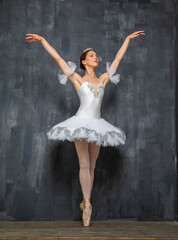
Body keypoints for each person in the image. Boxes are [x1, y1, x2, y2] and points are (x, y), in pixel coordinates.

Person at [25, 30, 145, 227]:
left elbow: (118, 58)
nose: (95, 57)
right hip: (81, 122)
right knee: (83, 163)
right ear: (84, 62)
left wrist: (128, 39)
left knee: (92, 165)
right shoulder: (77, 79)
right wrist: (43, 40)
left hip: (97, 125)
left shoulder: (104, 79)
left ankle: (85, 201)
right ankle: (88, 204)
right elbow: (58, 58)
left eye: (96, 55)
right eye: (91, 56)